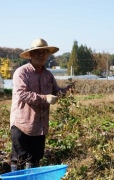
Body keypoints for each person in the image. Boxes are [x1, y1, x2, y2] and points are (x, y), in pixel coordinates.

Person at [10, 38, 70, 171]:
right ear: (30, 54)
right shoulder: (22, 72)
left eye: (44, 52)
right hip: (22, 124)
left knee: (35, 158)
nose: (41, 55)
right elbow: (22, 94)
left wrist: (66, 91)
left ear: (47, 55)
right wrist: (45, 98)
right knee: (19, 158)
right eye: (37, 52)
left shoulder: (48, 75)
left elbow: (55, 92)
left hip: (40, 125)